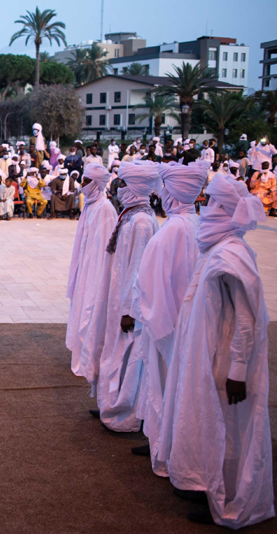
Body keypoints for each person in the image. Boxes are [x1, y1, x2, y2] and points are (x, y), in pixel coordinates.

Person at [157, 174, 273, 528]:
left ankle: (231, 500)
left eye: (210, 202)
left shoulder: (233, 254)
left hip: (225, 360)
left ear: (223, 209)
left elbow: (246, 319)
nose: (204, 208)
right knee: (208, 419)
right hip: (205, 354)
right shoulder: (218, 248)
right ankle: (204, 484)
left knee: (229, 428)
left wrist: (238, 368)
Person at [126, 159, 209, 476]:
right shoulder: (198, 223)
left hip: (165, 324)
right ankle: (161, 441)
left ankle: (163, 447)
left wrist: (145, 318)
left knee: (162, 386)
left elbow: (150, 283)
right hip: (186, 324)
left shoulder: (173, 229)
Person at [93, 160, 160, 432]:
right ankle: (109, 403)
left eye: (122, 183)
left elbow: (139, 270)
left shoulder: (142, 221)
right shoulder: (131, 215)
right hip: (118, 301)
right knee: (114, 353)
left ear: (134, 187)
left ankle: (125, 414)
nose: (118, 188)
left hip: (128, 308)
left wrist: (130, 311)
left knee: (128, 357)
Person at [66, 164, 117, 392]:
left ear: (96, 183)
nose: (82, 185)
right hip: (85, 267)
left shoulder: (105, 208)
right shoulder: (89, 206)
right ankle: (80, 358)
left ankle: (89, 361)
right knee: (80, 309)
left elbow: (105, 249)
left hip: (96, 271)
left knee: (90, 312)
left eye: (86, 181)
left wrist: (96, 276)